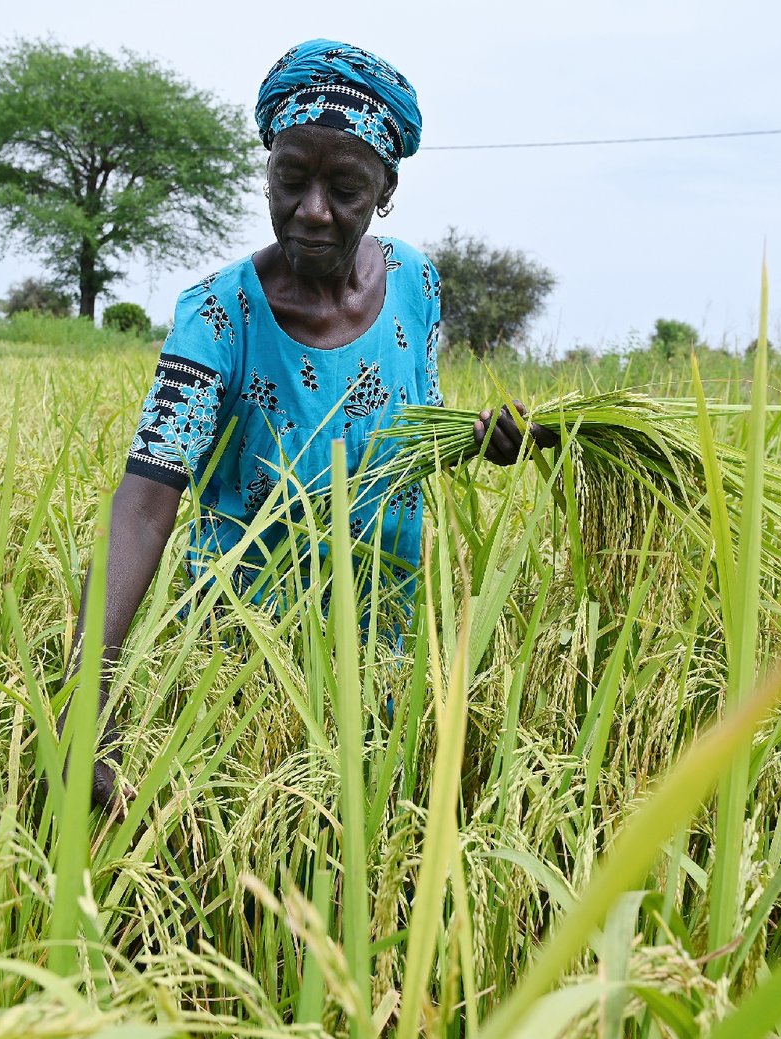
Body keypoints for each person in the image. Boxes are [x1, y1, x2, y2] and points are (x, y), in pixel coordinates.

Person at [66, 40, 552, 810]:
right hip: (243, 663)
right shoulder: (218, 317)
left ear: (385, 190)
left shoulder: (416, 284)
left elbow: (398, 431)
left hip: (388, 646)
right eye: (291, 180)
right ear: (268, 170)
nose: (313, 210)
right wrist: (87, 696)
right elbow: (145, 501)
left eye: (346, 188)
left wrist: (477, 437)